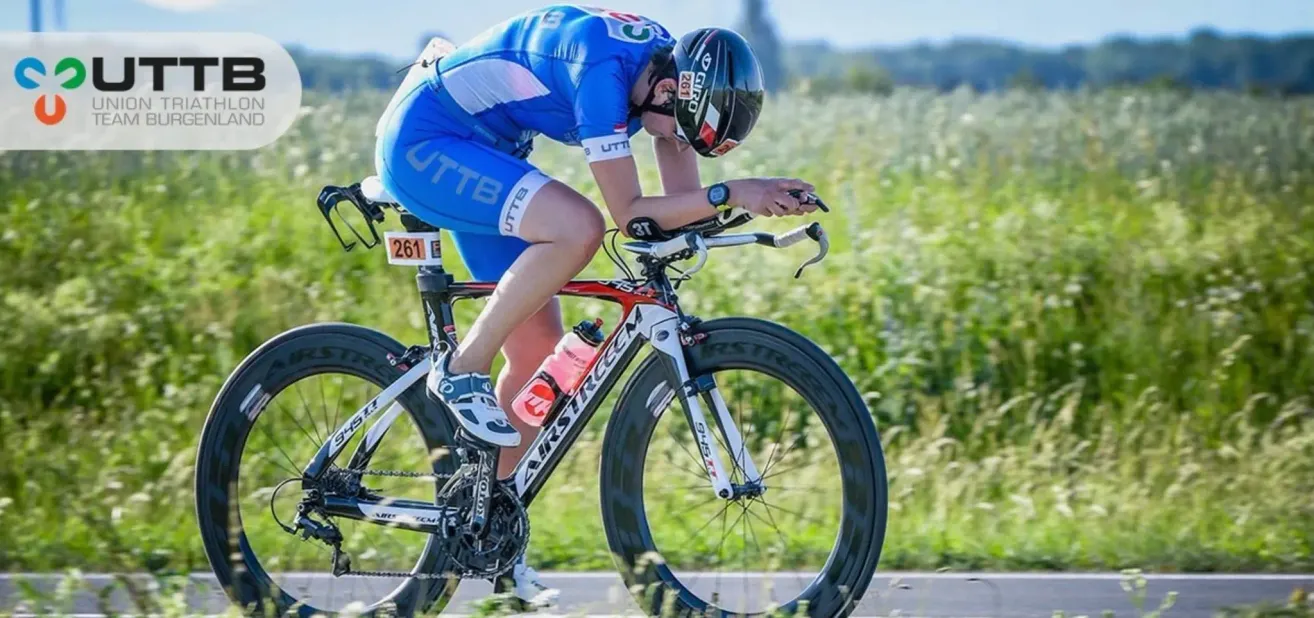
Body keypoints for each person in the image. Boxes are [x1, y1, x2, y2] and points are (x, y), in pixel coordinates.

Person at [374, 4, 817, 607]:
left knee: (534, 351)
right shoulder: (604, 75)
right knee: (578, 227)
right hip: (429, 141)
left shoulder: (665, 79)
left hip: (490, 151)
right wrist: (738, 190)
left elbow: (683, 203)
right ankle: (459, 369)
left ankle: (490, 545)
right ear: (667, 90)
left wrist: (748, 205)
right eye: (677, 130)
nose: (674, 143)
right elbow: (631, 213)